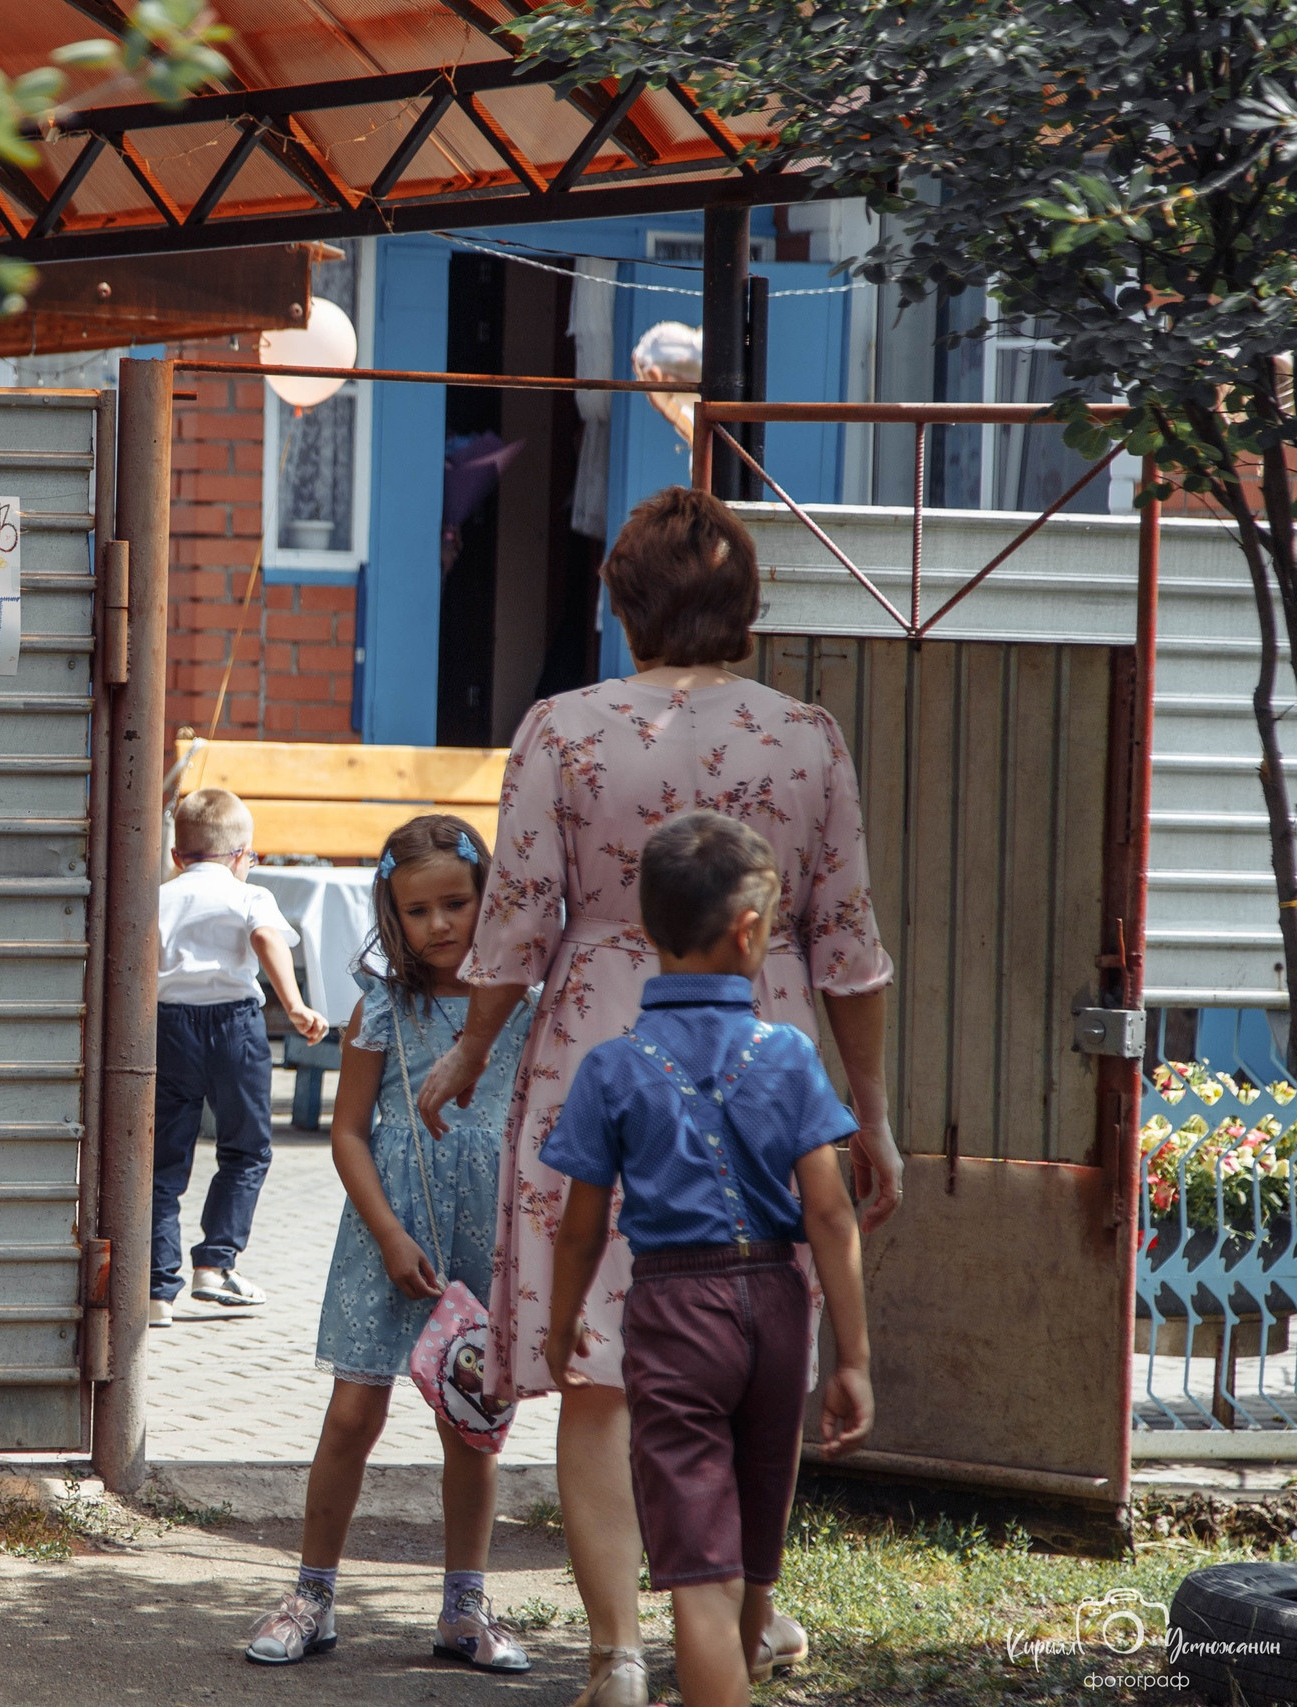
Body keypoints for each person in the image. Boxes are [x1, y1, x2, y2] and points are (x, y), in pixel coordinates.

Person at [415, 487, 904, 1707]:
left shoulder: (562, 730)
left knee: (600, 1372)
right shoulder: (807, 737)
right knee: (752, 1347)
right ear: (747, 606)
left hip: (599, 1052)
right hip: (763, 1050)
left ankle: (617, 1655)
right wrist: (875, 1111)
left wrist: (473, 1050)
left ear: (617, 601)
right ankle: (742, 1618)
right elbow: (846, 945)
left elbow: (518, 924)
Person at [539, 811, 874, 1707]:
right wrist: (851, 1356)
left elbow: (579, 1228)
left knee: (698, 1575)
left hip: (673, 1314)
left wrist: (562, 1317)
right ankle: (754, 1629)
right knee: (756, 1520)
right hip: (777, 1301)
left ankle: (718, 1644)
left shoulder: (612, 1067)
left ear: (649, 930)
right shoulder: (789, 1053)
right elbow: (832, 1214)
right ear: (752, 930)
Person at [245, 815, 537, 1674]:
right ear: (392, 914)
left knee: (474, 1426)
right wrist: (386, 1231)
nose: (440, 924)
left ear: (491, 900)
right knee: (351, 1415)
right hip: (390, 1236)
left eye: (458, 902)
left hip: (486, 1237)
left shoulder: (525, 1003)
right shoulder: (383, 1005)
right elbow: (345, 1133)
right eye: (419, 910)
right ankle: (311, 1595)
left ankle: (462, 1608)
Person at [152, 787, 327, 1326]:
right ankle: (216, 1264)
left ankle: (157, 1292)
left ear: (178, 855)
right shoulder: (248, 895)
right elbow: (266, 939)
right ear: (240, 855)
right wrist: (295, 1005)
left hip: (169, 1026)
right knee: (246, 1148)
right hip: (235, 1027)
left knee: (163, 1161)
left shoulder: (159, 895)